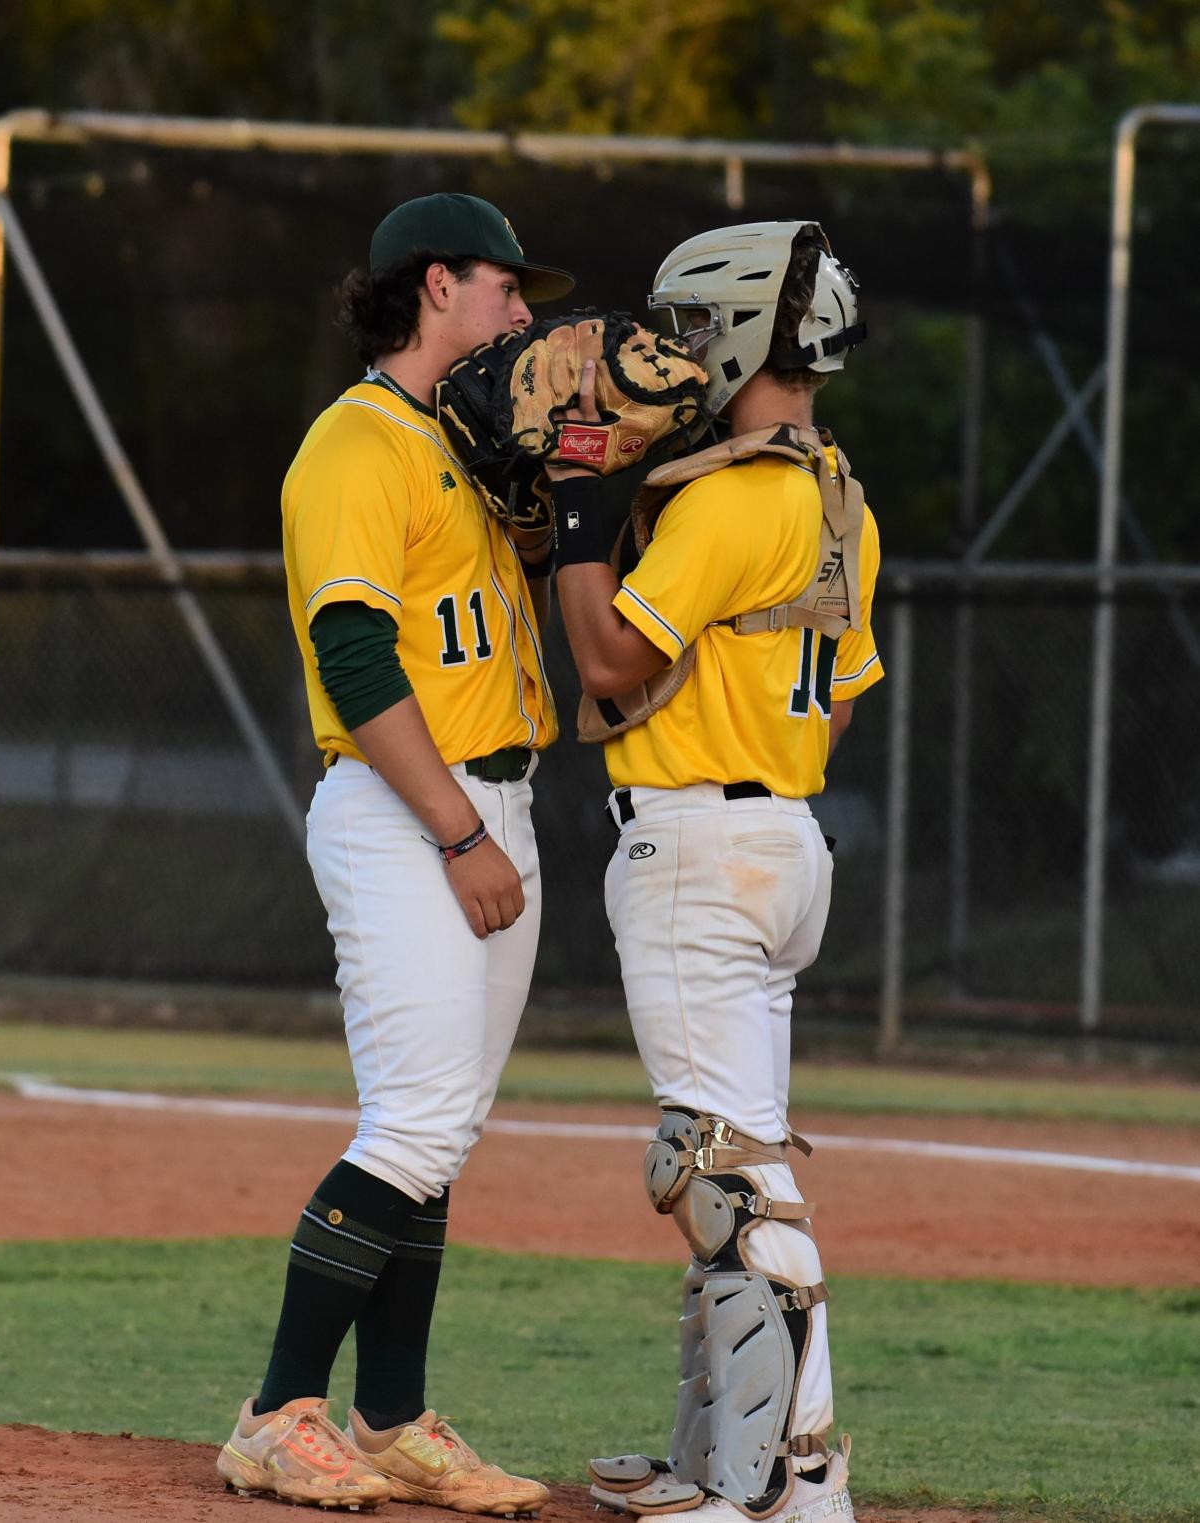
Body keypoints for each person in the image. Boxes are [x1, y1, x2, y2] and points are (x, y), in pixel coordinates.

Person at [216, 193, 572, 1512]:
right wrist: (462, 831)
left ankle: (390, 1418)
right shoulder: (353, 446)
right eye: (503, 286)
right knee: (415, 1124)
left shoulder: (463, 453)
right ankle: (274, 1413)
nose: (522, 312)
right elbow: (354, 656)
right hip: (405, 809)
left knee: (441, 1135)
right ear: (434, 286)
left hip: (491, 807)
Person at [548, 221, 881, 1523]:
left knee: (720, 1175)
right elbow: (839, 699)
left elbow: (611, 666)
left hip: (697, 845)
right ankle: (787, 1475)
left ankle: (742, 1490)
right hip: (783, 837)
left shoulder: (733, 494)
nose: (675, 355)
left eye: (693, 330)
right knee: (741, 1166)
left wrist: (580, 528)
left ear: (745, 334)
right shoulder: (834, 489)